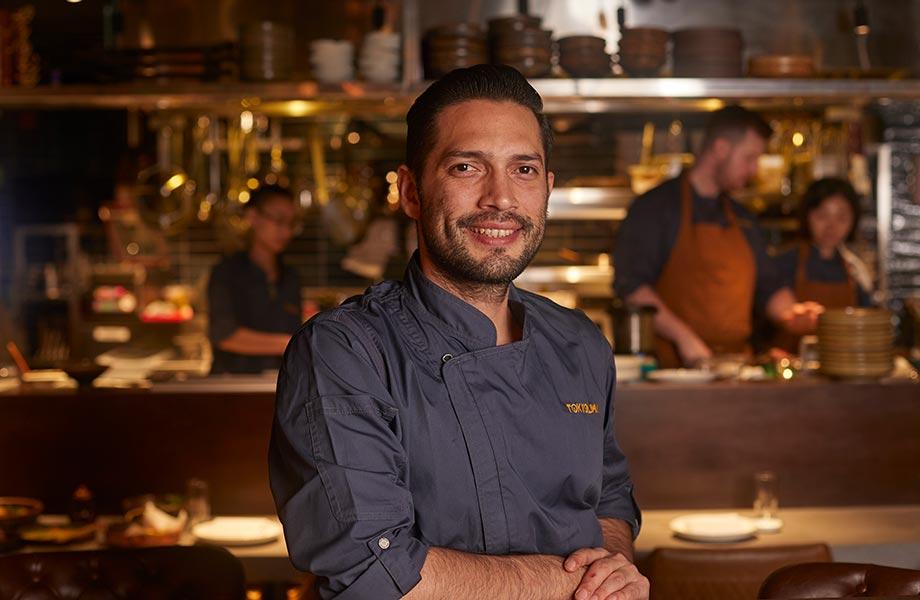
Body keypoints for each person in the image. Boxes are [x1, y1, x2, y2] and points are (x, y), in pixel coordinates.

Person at [269, 65, 647, 600]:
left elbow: (608, 495)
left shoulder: (580, 342)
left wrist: (614, 570)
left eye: (524, 169)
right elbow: (369, 569)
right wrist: (572, 584)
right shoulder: (345, 351)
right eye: (467, 167)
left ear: (547, 189)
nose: (501, 198)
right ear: (411, 192)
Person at [613, 106, 820, 368]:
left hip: (736, 368)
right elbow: (633, 288)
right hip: (672, 370)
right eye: (749, 158)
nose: (754, 169)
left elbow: (769, 286)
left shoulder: (743, 217)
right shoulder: (655, 208)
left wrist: (794, 315)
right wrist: (685, 338)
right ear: (721, 148)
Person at [207, 184, 302, 374]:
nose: (286, 232)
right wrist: (289, 343)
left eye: (291, 223)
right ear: (252, 217)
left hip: (279, 383)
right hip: (233, 384)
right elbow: (224, 336)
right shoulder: (226, 272)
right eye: (279, 220)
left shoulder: (290, 276)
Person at [772, 177, 874, 352]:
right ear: (807, 216)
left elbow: (867, 322)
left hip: (841, 362)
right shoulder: (784, 262)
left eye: (841, 218)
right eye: (822, 216)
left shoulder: (855, 269)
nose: (831, 226)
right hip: (790, 363)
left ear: (853, 220)